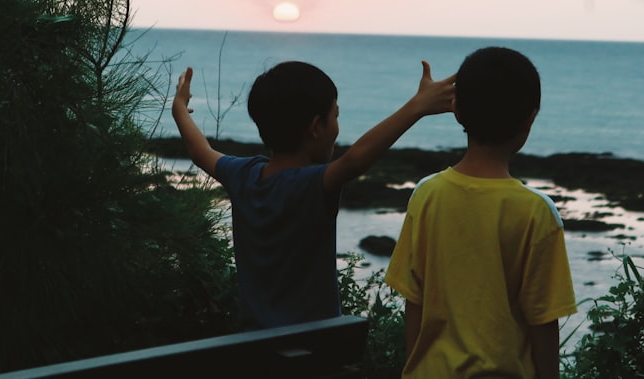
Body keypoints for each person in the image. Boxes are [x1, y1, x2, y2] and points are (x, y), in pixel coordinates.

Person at [171, 59, 455, 330]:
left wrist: (180, 109)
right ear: (316, 127)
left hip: (255, 350)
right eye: (336, 116)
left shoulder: (242, 176)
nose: (337, 127)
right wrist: (417, 107)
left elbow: (200, 152)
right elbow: (356, 160)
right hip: (315, 350)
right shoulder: (313, 184)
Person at [385, 47, 577, 379]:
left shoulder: (426, 195)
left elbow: (414, 305)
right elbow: (543, 324)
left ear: (456, 110)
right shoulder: (536, 211)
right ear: (530, 117)